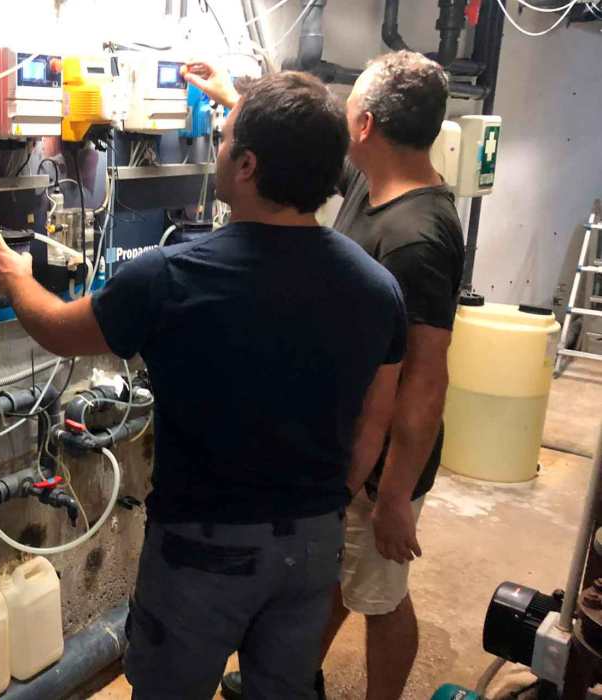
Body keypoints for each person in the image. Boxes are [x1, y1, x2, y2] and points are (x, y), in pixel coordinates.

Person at [0, 70, 407, 700]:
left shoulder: (170, 276)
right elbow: (376, 420)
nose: (218, 150)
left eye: (225, 139)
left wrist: (16, 277)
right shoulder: (376, 287)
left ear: (247, 165)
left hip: (201, 549)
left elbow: (58, 331)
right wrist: (325, 500)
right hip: (312, 543)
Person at [189, 52, 465, 700]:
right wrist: (232, 97)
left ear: (365, 125)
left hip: (386, 461)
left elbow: (426, 380)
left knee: (382, 596)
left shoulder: (417, 236)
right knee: (341, 574)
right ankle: (293, 679)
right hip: (354, 439)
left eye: (349, 107)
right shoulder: (376, 180)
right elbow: (302, 151)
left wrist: (393, 495)